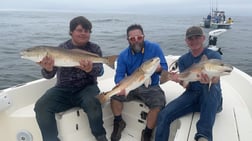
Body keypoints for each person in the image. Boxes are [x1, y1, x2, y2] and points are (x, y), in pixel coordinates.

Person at [34, 16, 108, 141]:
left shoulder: (94, 48)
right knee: (41, 106)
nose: (83, 33)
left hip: (87, 88)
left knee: (93, 103)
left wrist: (90, 69)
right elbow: (49, 76)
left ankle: (100, 136)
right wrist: (47, 68)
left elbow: (100, 71)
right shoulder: (61, 48)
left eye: (87, 31)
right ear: (71, 32)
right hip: (63, 89)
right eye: (80, 30)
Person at [155, 26, 223, 141]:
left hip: (211, 100)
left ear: (203, 38)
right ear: (186, 41)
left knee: (210, 88)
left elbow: (216, 78)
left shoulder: (214, 56)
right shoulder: (183, 60)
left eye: (197, 37)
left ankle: (203, 136)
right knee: (163, 115)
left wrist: (210, 81)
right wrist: (179, 80)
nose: (194, 41)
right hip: (192, 95)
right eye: (190, 38)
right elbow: (188, 85)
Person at [110, 24, 168, 141]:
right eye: (132, 39)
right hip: (131, 85)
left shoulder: (154, 48)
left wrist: (159, 69)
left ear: (143, 36)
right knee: (114, 97)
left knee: (159, 104)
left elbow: (164, 68)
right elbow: (119, 75)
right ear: (128, 40)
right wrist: (121, 86)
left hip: (151, 86)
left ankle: (147, 132)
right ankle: (118, 122)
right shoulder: (123, 55)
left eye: (139, 37)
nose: (136, 41)